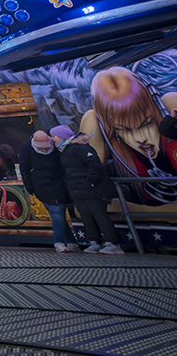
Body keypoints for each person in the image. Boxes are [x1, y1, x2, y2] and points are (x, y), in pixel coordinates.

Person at [80, 66, 177, 206]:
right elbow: (88, 185)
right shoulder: (104, 134)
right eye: (124, 129)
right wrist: (91, 121)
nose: (140, 137)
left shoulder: (170, 106)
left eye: (146, 123)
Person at [55, 123, 124, 254]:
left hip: (91, 189)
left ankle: (112, 242)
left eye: (54, 136)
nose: (52, 139)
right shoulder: (64, 151)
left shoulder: (80, 148)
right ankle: (94, 241)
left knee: (99, 214)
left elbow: (94, 164)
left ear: (62, 137)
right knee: (86, 216)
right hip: (78, 189)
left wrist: (92, 181)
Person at [20, 129, 76, 251]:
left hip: (56, 183)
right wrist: (29, 186)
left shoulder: (54, 147)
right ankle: (62, 242)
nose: (45, 150)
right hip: (42, 186)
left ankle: (67, 242)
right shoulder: (26, 148)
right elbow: (24, 167)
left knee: (57, 213)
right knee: (57, 212)